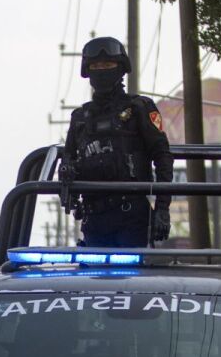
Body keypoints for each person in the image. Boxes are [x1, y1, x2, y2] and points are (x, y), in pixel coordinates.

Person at [60, 35, 176, 248]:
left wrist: (162, 208)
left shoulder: (139, 108)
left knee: (131, 279)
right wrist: (67, 173)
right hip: (93, 218)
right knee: (92, 279)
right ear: (88, 71)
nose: (102, 69)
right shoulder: (80, 118)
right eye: (96, 65)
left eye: (108, 64)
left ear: (121, 68)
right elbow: (68, 158)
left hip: (132, 216)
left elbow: (163, 157)